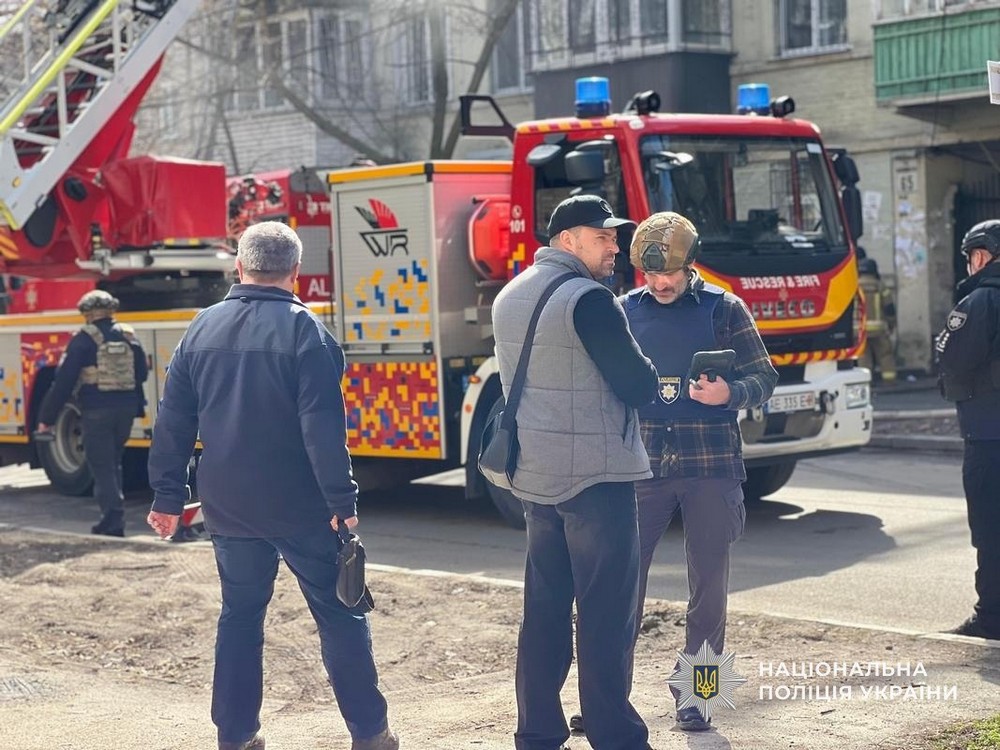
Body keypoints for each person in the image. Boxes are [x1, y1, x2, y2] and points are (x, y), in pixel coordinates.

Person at [146, 221, 397, 750]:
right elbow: (322, 429)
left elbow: (173, 421)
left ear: (240, 267)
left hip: (227, 504)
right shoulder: (307, 332)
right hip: (300, 504)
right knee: (341, 614)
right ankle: (371, 734)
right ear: (296, 272)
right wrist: (341, 500)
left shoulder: (201, 327)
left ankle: (236, 736)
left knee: (240, 617)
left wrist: (168, 496)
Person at [491, 194, 659, 750]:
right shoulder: (590, 300)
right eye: (602, 236)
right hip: (596, 479)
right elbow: (637, 385)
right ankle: (615, 735)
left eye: (614, 236)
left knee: (543, 609)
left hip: (536, 478)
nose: (615, 247)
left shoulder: (511, 293)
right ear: (568, 240)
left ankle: (537, 731)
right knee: (605, 614)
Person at [621, 211, 777, 731]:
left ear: (690, 264)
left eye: (668, 272)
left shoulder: (725, 309)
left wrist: (730, 393)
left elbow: (764, 377)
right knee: (621, 585)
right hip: (641, 465)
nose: (659, 283)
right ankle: (607, 698)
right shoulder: (624, 311)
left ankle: (700, 696)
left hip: (711, 464)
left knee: (708, 589)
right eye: (650, 274)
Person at [37, 289, 148, 537]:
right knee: (113, 461)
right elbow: (141, 373)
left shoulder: (83, 340)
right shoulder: (129, 336)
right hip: (126, 411)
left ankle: (113, 521)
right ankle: (112, 516)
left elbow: (63, 383)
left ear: (87, 314)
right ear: (111, 310)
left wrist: (46, 419)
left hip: (97, 411)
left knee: (102, 465)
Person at [935, 219, 1000, 641]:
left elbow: (952, 359)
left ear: (982, 255)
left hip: (989, 434)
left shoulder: (980, 300)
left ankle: (991, 618)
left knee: (991, 530)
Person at [856, 247, 898, 383]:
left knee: (864, 357)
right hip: (879, 329)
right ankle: (889, 381)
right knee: (885, 355)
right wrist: (891, 324)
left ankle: (866, 382)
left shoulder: (854, 287)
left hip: (860, 329)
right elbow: (889, 308)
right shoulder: (880, 286)